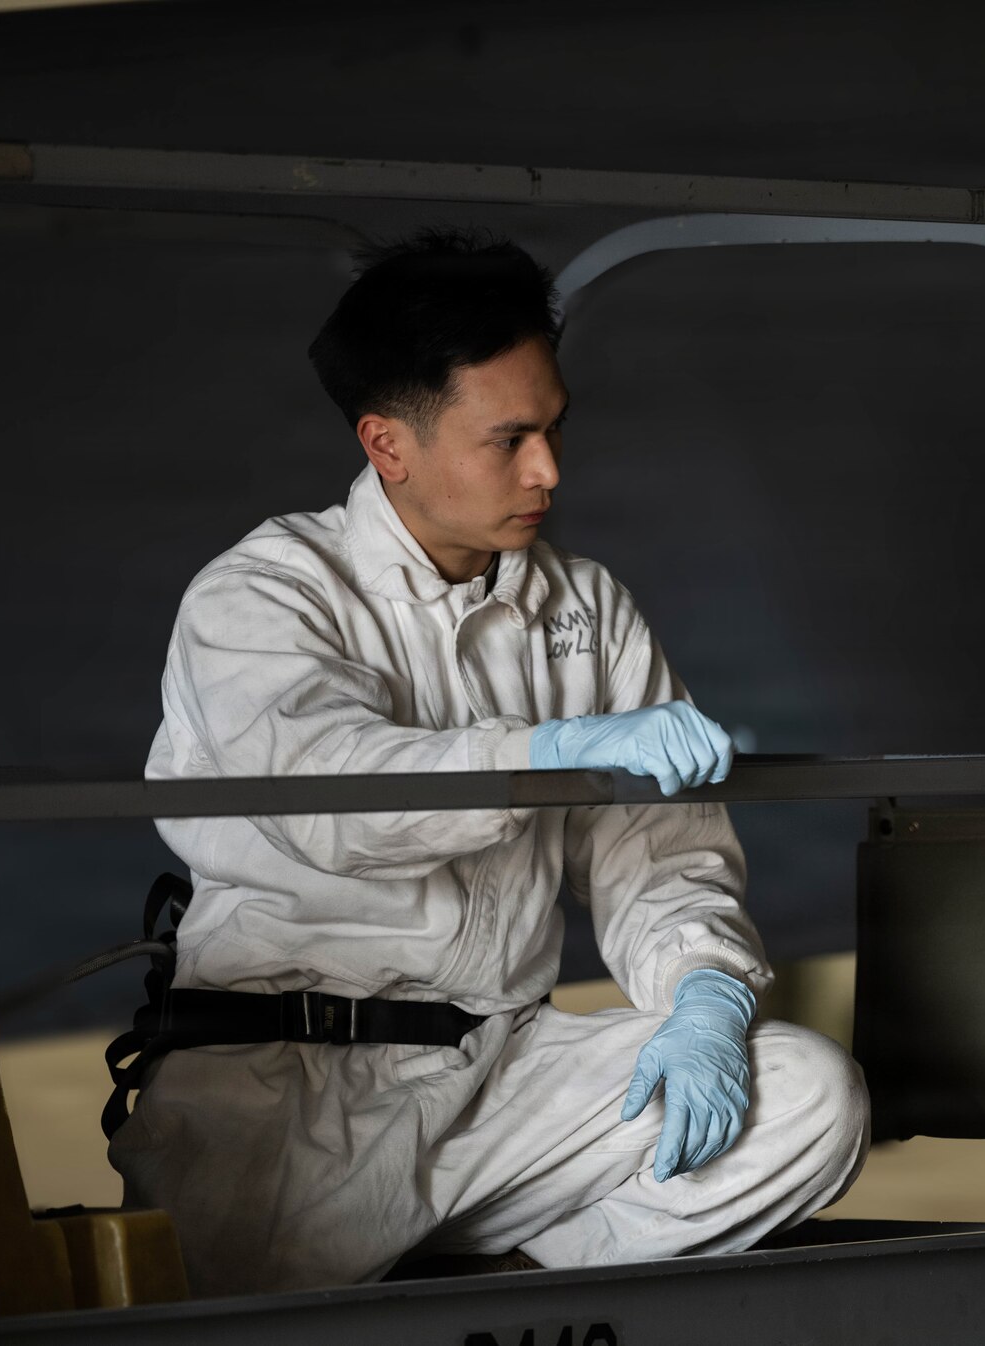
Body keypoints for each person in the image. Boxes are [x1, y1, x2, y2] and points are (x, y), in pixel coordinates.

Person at [108, 229, 869, 1297]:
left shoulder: (589, 609)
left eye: (555, 429)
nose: (548, 470)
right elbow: (329, 792)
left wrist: (704, 998)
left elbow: (664, 859)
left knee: (805, 1093)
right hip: (288, 1091)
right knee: (230, 1292)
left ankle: (507, 1287)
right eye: (508, 438)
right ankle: (477, 1275)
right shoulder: (263, 594)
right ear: (387, 445)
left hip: (506, 1075)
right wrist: (551, 751)